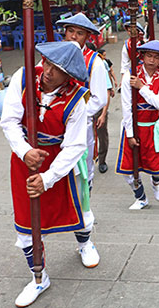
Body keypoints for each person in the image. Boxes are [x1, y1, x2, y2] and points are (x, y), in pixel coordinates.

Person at [0, 41, 99, 307]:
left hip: (60, 162)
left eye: (57, 69)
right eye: (49, 63)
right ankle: (38, 276)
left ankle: (85, 243)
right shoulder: (24, 76)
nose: (48, 72)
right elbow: (8, 120)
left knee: (79, 209)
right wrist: (24, 150)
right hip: (24, 161)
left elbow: (76, 145)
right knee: (25, 223)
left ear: (69, 76)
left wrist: (48, 177)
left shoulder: (78, 98)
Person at [116, 40, 159, 210]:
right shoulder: (129, 75)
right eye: (149, 55)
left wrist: (142, 87)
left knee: (157, 168)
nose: (152, 60)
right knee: (128, 169)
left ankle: (156, 183)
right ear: (142, 56)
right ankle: (140, 197)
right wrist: (130, 134)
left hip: (153, 128)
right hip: (134, 126)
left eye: (156, 57)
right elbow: (126, 106)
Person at [58, 14, 110, 188]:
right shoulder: (55, 55)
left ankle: (84, 210)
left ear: (87, 37)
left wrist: (74, 114)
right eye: (70, 31)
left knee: (83, 170)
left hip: (81, 124)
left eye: (79, 33)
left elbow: (100, 98)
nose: (73, 36)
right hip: (55, 123)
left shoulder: (95, 62)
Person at [94, 49, 116, 174]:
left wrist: (103, 113)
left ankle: (102, 161)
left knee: (102, 135)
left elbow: (107, 90)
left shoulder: (100, 64)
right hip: (81, 108)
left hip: (98, 108)